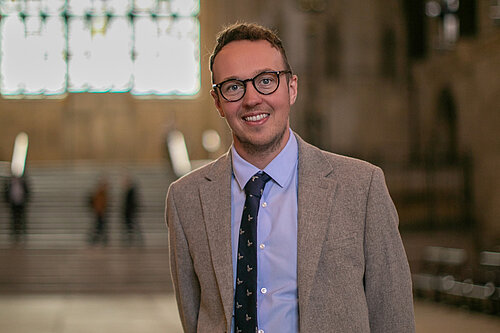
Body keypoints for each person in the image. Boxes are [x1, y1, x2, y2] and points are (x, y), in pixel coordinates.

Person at [166, 23, 415, 333]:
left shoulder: (362, 187)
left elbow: (393, 317)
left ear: (292, 88)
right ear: (218, 102)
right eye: (233, 87)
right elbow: (193, 316)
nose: (252, 99)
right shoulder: (186, 198)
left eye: (266, 81)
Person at [4, 173, 30, 243]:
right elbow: (6, 193)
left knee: (22, 219)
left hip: (21, 203)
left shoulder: (23, 182)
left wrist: (25, 200)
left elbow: (27, 192)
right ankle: (14, 233)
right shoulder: (9, 183)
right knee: (13, 219)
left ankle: (23, 232)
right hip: (13, 203)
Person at [121, 173, 142, 246]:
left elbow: (132, 203)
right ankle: (130, 240)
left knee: (133, 227)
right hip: (128, 212)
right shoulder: (128, 191)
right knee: (131, 227)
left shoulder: (131, 191)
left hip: (130, 212)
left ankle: (133, 240)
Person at [89, 177, 109, 245]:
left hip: (100, 212)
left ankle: (96, 240)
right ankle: (96, 239)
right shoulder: (100, 193)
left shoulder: (102, 193)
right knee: (99, 227)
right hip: (100, 212)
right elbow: (99, 203)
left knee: (99, 227)